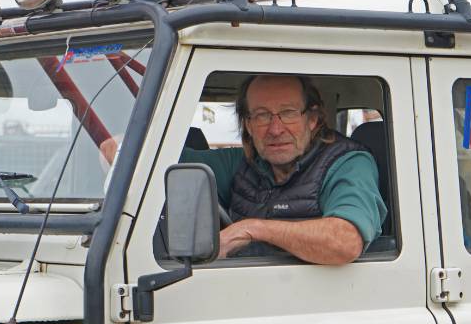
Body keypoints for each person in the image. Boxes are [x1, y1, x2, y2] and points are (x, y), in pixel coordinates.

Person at [103, 75, 387, 265]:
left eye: (288, 113)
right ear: (248, 125)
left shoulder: (348, 163)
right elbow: (158, 162)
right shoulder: (244, 163)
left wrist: (252, 229)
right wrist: (123, 147)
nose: (275, 129)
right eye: (262, 115)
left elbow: (345, 241)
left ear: (312, 119)